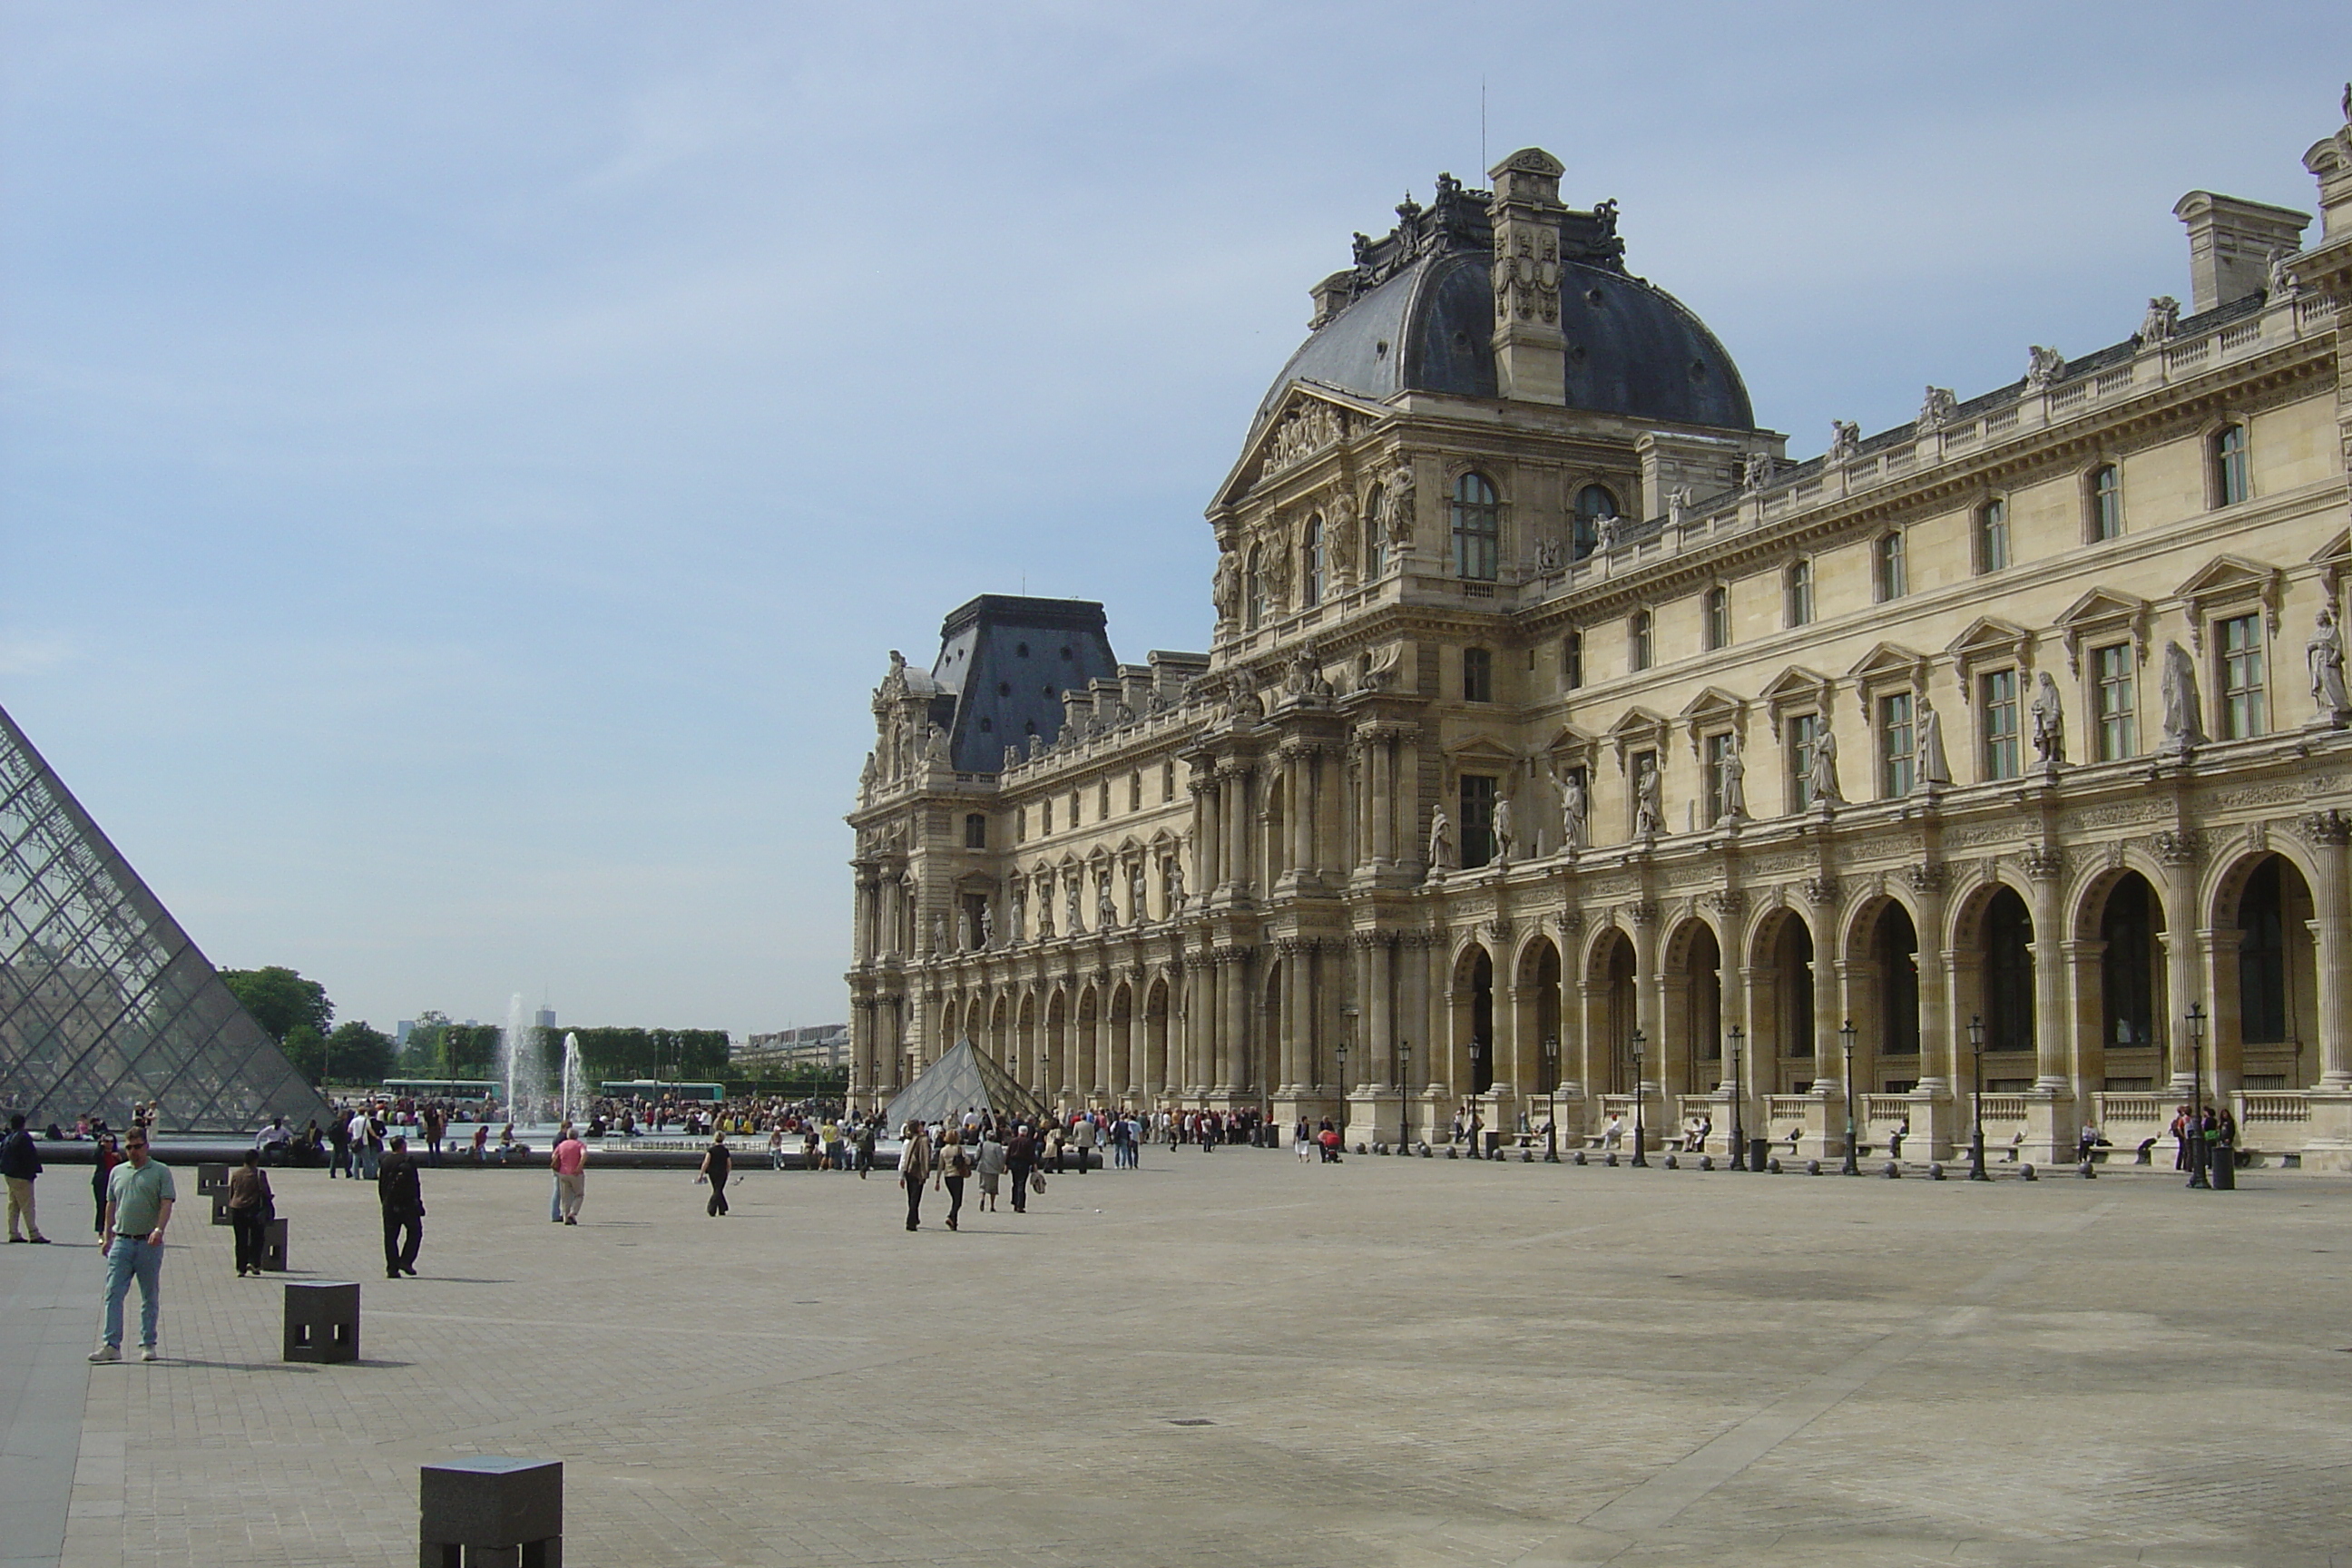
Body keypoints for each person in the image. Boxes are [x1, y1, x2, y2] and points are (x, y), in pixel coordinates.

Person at [90, 1128, 175, 1362]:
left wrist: (159, 1230)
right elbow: (110, 1205)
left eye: (137, 1146)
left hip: (148, 1241)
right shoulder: (117, 1172)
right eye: (129, 1147)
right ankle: (111, 1345)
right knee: (113, 1293)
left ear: (146, 1146)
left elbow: (166, 1202)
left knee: (149, 1295)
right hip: (122, 1240)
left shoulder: (160, 1171)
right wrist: (106, 1236)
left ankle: (148, 1343)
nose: (133, 1151)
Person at [377, 1135, 423, 1279]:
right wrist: (418, 1203)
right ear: (402, 1146)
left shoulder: (385, 1161)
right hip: (407, 1204)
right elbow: (414, 1184)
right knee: (415, 1232)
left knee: (390, 1237)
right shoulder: (407, 1160)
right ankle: (406, 1261)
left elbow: (382, 1184)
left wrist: (384, 1202)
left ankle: (392, 1268)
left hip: (389, 1204)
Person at [225, 1150, 273, 1277]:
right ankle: (255, 1264)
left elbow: (232, 1192)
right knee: (257, 1237)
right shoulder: (259, 1174)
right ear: (255, 1160)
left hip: (236, 1208)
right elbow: (265, 1191)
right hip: (253, 1209)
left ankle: (241, 1268)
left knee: (241, 1239)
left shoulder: (236, 1174)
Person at [4, 1112, 48, 1243]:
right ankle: (33, 1233)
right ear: (23, 1124)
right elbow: (30, 1157)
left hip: (10, 1174)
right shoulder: (24, 1137)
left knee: (14, 1205)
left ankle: (13, 1232)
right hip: (22, 1176)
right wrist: (34, 1172)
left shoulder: (9, 1137)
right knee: (28, 1205)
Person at [898, 1121, 933, 1232]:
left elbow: (904, 1158)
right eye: (920, 1125)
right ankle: (911, 1222)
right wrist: (925, 1173)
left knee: (911, 1197)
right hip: (917, 1172)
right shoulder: (923, 1140)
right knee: (915, 1198)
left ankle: (914, 1218)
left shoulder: (910, 1138)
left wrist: (902, 1174)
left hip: (909, 1171)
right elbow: (925, 1157)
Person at [936, 1129, 970, 1231]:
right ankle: (950, 1216)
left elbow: (940, 1166)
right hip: (957, 1176)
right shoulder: (959, 1149)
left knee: (954, 1199)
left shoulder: (943, 1150)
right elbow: (967, 1160)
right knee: (958, 1201)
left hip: (947, 1177)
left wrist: (937, 1180)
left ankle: (953, 1224)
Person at [552, 1126, 585, 1225]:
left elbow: (554, 1156)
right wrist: (580, 1166)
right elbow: (584, 1155)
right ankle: (573, 1213)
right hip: (575, 1173)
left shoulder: (562, 1145)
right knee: (579, 1194)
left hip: (562, 1173)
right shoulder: (579, 1145)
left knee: (565, 1197)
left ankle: (566, 1218)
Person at [90, 1133, 122, 1237]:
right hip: (101, 1182)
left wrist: (119, 1159)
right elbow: (95, 1157)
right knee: (101, 1206)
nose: (109, 1144)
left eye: (111, 1142)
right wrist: (101, 1146)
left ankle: (113, 1230)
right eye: (107, 1141)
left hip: (114, 1182)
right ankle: (100, 1231)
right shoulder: (100, 1153)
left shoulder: (116, 1154)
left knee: (115, 1206)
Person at [699, 1132, 732, 1217]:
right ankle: (721, 1208)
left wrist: (701, 1173)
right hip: (722, 1172)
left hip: (712, 1172)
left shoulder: (711, 1150)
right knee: (718, 1190)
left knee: (717, 1190)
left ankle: (714, 1209)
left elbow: (706, 1162)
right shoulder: (725, 1151)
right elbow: (729, 1164)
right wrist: (727, 1172)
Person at [975, 1128, 1007, 1211]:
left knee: (982, 1186)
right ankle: (992, 1206)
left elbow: (976, 1156)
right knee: (993, 1188)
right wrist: (1002, 1167)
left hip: (983, 1168)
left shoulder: (981, 1144)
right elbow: (1000, 1158)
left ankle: (982, 1198)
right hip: (994, 1169)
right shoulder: (997, 1146)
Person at [1006, 1123, 1035, 1215]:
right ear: (1026, 1133)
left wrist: (1006, 1165)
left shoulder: (1013, 1141)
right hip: (1024, 1164)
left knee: (1014, 1183)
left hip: (1014, 1163)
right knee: (1021, 1184)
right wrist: (1034, 1165)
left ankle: (1014, 1202)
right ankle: (1020, 1205)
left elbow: (1008, 1153)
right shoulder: (1028, 1142)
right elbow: (1031, 1155)